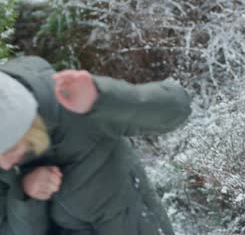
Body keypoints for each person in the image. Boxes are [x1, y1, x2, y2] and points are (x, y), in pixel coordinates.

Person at [0, 55, 191, 235]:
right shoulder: (5, 164)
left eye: (10, 148)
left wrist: (102, 98)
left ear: (30, 125)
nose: (5, 165)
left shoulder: (74, 108)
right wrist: (25, 196)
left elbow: (176, 108)